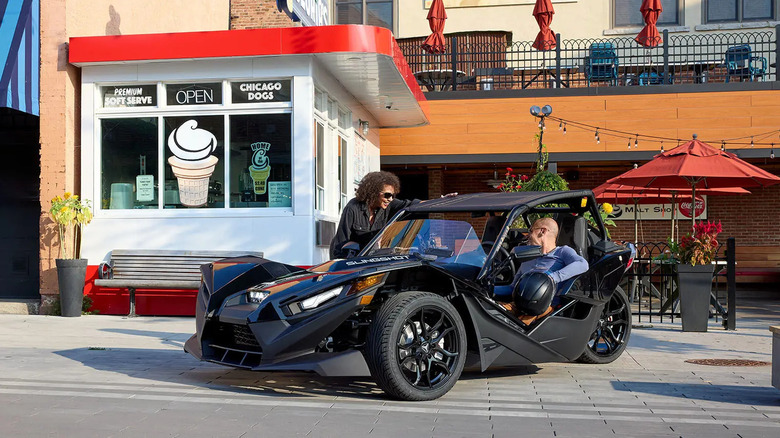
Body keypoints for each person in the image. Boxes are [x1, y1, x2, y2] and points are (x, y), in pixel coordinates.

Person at [498, 217, 589, 324]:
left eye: (531, 231)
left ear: (543, 231)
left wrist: (552, 278)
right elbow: (512, 288)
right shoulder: (526, 256)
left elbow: (583, 264)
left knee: (517, 322)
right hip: (518, 304)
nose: (528, 236)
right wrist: (488, 288)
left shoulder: (561, 252)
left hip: (543, 307)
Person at [329, 171, 417, 259]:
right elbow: (341, 242)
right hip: (350, 258)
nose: (390, 199)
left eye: (393, 195)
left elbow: (412, 204)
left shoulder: (388, 205)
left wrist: (430, 204)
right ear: (374, 192)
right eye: (387, 195)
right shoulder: (352, 208)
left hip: (372, 257)